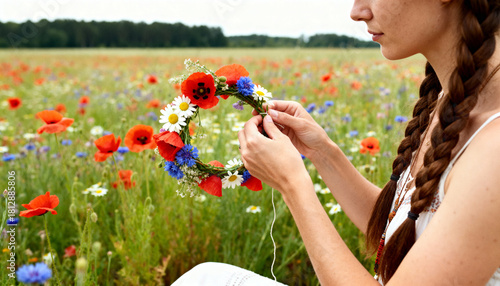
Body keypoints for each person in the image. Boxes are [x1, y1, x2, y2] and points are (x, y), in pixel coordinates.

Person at [172, 0, 500, 285]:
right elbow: (404, 226)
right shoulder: (451, 101)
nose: (357, 12)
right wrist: (322, 153)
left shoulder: (493, 151)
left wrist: (293, 184)